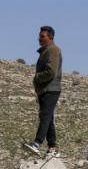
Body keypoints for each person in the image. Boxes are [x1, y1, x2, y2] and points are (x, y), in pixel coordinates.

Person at [27, 25, 63, 154]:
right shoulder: (45, 51)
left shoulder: (53, 50)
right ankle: (52, 147)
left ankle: (37, 143)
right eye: (39, 36)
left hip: (51, 89)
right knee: (48, 117)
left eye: (42, 36)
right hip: (45, 90)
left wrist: (37, 77)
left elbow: (51, 71)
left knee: (45, 116)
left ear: (50, 37)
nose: (39, 39)